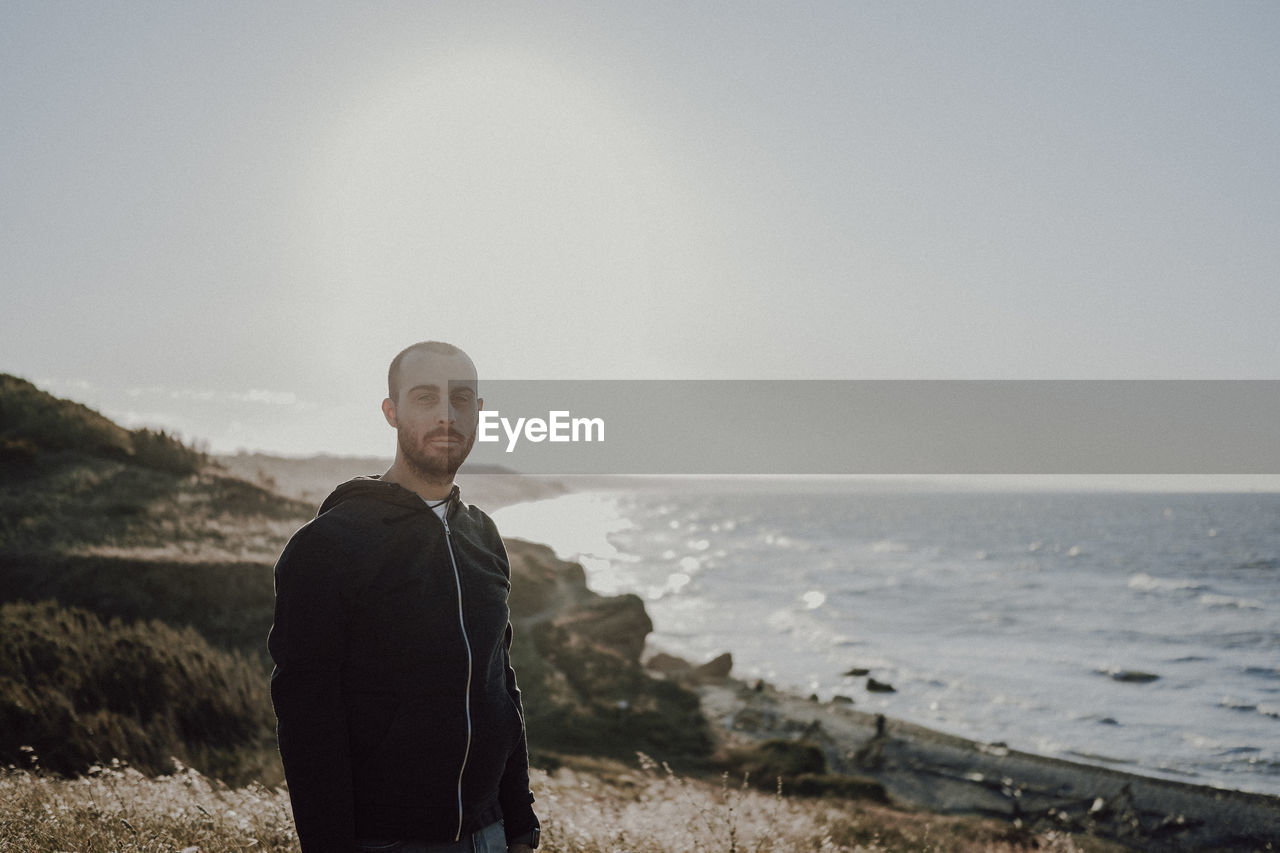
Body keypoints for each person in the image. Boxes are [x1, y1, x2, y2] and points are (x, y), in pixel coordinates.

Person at [269, 341, 540, 853]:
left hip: (490, 834)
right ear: (391, 412)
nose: (446, 414)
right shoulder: (328, 545)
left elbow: (499, 685)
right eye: (424, 398)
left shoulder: (483, 535)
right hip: (386, 840)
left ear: (478, 413)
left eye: (461, 399)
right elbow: (307, 718)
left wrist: (520, 823)